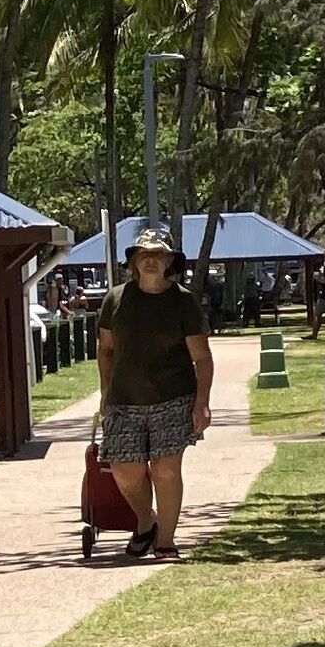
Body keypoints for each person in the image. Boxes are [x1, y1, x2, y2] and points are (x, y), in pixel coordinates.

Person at [98, 222, 217, 558]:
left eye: (158, 255)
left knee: (166, 469)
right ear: (133, 261)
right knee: (125, 470)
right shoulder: (115, 299)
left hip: (173, 397)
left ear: (169, 262)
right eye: (143, 254)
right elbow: (106, 349)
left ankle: (165, 540)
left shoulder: (183, 302)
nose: (150, 260)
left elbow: (202, 358)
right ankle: (145, 519)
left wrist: (202, 403)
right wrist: (105, 393)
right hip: (124, 400)